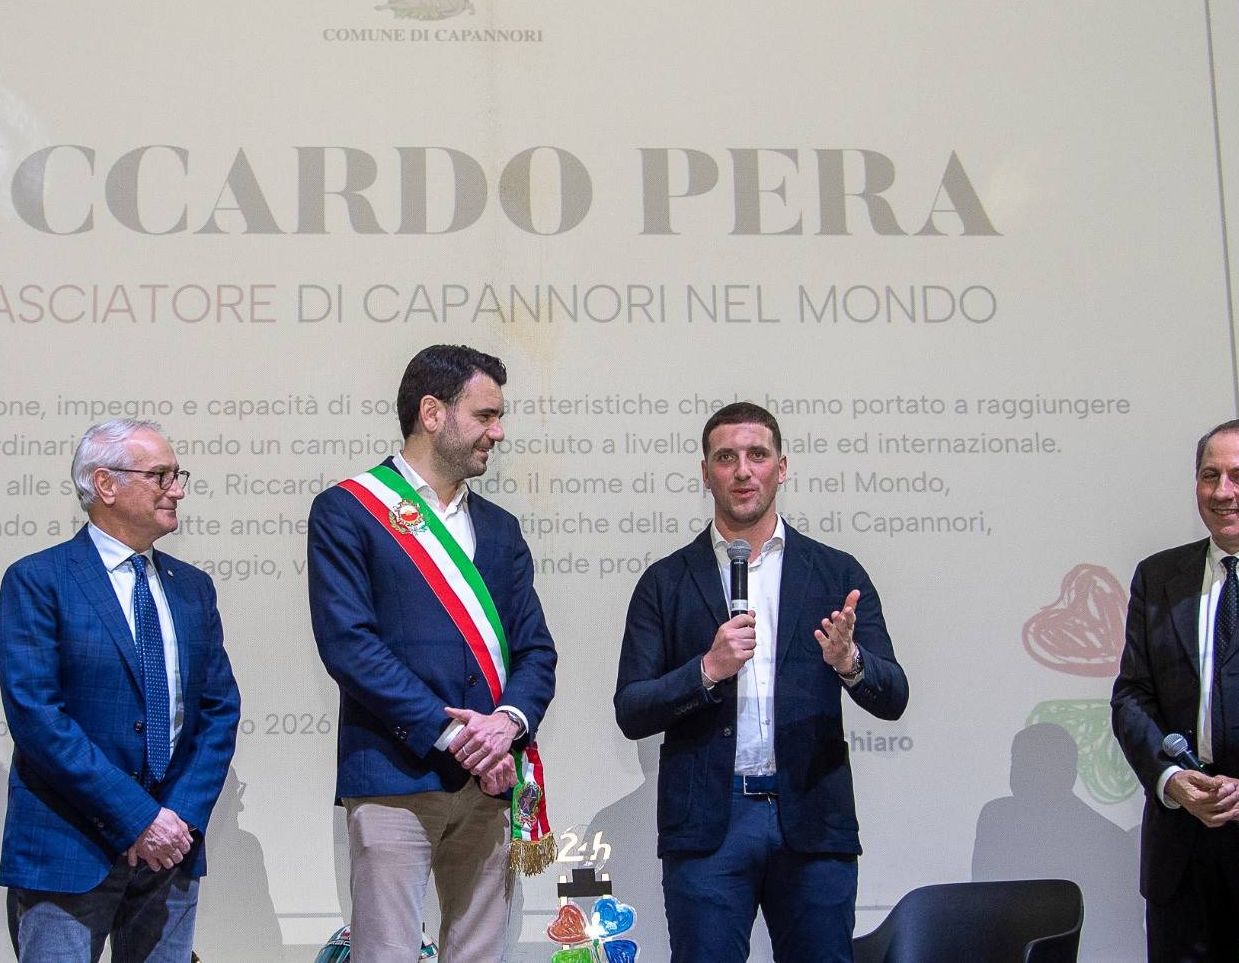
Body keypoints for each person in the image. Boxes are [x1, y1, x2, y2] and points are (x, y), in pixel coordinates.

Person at [614, 401, 907, 962]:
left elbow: (894, 696)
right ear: (706, 473)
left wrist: (850, 662)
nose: (743, 471)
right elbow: (631, 709)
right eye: (726, 457)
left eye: (757, 455)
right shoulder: (666, 581)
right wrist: (706, 670)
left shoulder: (835, 573)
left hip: (813, 821)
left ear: (782, 467)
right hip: (709, 826)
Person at [308, 344, 557, 961]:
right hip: (395, 774)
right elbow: (350, 646)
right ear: (432, 413)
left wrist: (507, 724)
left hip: (492, 778)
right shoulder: (349, 510)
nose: (498, 432)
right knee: (388, 952)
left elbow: (535, 650)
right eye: (485, 415)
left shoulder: (500, 528)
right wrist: (454, 736)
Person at [0, 419, 239, 961]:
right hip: (69, 845)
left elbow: (219, 711)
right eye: (160, 476)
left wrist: (178, 817)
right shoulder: (39, 580)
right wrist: (138, 818)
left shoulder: (192, 587)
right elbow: (38, 717)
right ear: (105, 484)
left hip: (171, 848)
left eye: (177, 476)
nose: (176, 490)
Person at [1112, 418, 1239, 960]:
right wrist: (1170, 778)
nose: (1222, 492)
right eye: (1209, 476)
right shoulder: (1159, 576)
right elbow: (1132, 696)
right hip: (1183, 855)